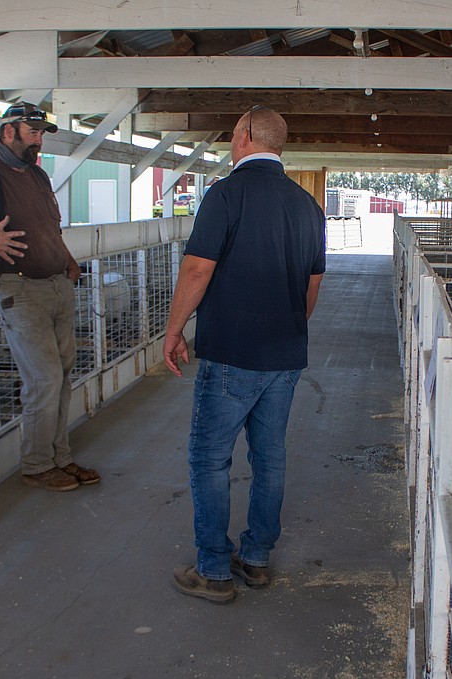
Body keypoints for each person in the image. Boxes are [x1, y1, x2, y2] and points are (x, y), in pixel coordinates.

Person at [163, 106, 326, 604]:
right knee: (269, 458)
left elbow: (196, 270)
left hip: (232, 353)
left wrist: (173, 331)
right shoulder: (307, 206)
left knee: (209, 458)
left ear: (246, 137)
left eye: (234, 134)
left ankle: (213, 568)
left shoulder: (226, 194)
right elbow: (312, 285)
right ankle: (255, 560)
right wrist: (286, 327)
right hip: (285, 356)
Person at [0, 102, 100, 492]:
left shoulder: (38, 176)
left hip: (57, 284)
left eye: (42, 133)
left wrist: (67, 260)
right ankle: (36, 463)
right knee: (43, 378)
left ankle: (59, 457)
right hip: (19, 287)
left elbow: (50, 227)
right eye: (33, 132)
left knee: (61, 375)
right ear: (9, 131)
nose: (39, 139)